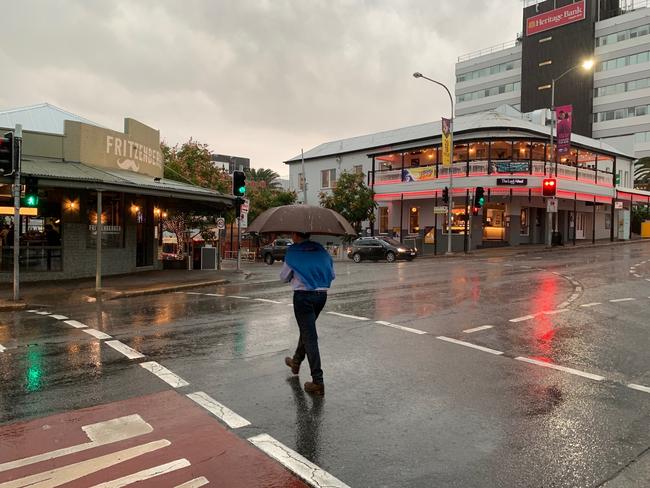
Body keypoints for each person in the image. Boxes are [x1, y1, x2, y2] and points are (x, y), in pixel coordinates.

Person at [280, 232, 335, 396]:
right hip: (321, 295)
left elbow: (283, 277)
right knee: (307, 330)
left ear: (296, 235)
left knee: (310, 336)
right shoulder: (321, 250)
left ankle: (318, 381)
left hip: (303, 297)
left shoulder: (294, 252)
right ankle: (296, 361)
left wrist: (297, 274)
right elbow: (331, 274)